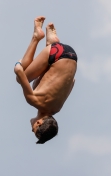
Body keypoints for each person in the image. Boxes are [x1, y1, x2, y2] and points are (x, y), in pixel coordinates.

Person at [14, 16, 77, 144]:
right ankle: (36, 37)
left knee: (38, 84)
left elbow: (73, 81)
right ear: (39, 122)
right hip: (55, 55)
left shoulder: (57, 107)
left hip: (71, 56)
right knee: (20, 79)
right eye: (35, 130)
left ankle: (52, 42)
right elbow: (19, 71)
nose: (32, 130)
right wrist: (18, 63)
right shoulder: (34, 100)